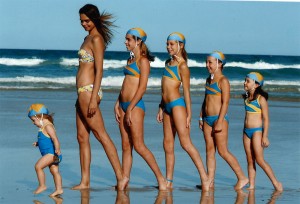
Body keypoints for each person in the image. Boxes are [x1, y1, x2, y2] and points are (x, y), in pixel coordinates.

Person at [73, 4, 128, 190]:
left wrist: (94, 97)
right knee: (82, 137)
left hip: (89, 92)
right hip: (81, 93)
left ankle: (121, 177)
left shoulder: (96, 39)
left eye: (87, 21)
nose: (84, 24)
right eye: (81, 21)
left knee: (101, 134)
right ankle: (85, 181)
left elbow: (99, 71)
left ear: (94, 19)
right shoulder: (86, 38)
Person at [156, 32, 212, 191]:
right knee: (167, 144)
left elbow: (187, 92)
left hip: (177, 105)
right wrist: (161, 107)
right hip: (166, 107)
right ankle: (169, 181)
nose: (168, 47)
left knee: (185, 143)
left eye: (171, 44)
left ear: (181, 45)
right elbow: (163, 88)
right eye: (167, 44)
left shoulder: (183, 66)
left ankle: (205, 178)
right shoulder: (168, 63)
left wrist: (189, 114)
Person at [114, 28, 167, 190]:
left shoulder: (143, 61)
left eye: (128, 39)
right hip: (123, 106)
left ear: (138, 41)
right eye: (125, 39)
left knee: (139, 145)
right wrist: (118, 103)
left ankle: (161, 179)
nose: (125, 42)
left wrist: (129, 108)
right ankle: (124, 178)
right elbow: (126, 84)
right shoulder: (130, 61)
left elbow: (142, 87)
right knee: (125, 145)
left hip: (135, 107)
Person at [199, 51, 249, 190]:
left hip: (219, 119)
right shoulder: (208, 80)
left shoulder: (223, 81)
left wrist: (220, 121)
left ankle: (242, 177)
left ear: (219, 63)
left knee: (222, 151)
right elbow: (206, 100)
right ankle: (210, 181)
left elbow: (226, 103)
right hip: (207, 119)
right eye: (207, 62)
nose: (207, 65)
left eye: (210, 62)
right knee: (209, 150)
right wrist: (201, 116)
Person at [242, 72, 283, 191]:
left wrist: (265, 136)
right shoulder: (246, 98)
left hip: (257, 132)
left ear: (256, 85)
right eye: (245, 80)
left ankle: (276, 183)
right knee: (249, 159)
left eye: (248, 81)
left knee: (259, 160)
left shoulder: (261, 99)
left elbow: (266, 119)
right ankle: (252, 185)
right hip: (246, 131)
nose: (245, 82)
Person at [28, 104, 63, 197]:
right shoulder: (43, 127)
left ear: (40, 117)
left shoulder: (48, 126)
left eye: (33, 120)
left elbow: (55, 139)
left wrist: (58, 149)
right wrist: (38, 143)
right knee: (54, 171)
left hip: (51, 154)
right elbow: (46, 139)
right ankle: (59, 189)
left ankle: (42, 185)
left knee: (38, 167)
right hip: (51, 154)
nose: (33, 123)